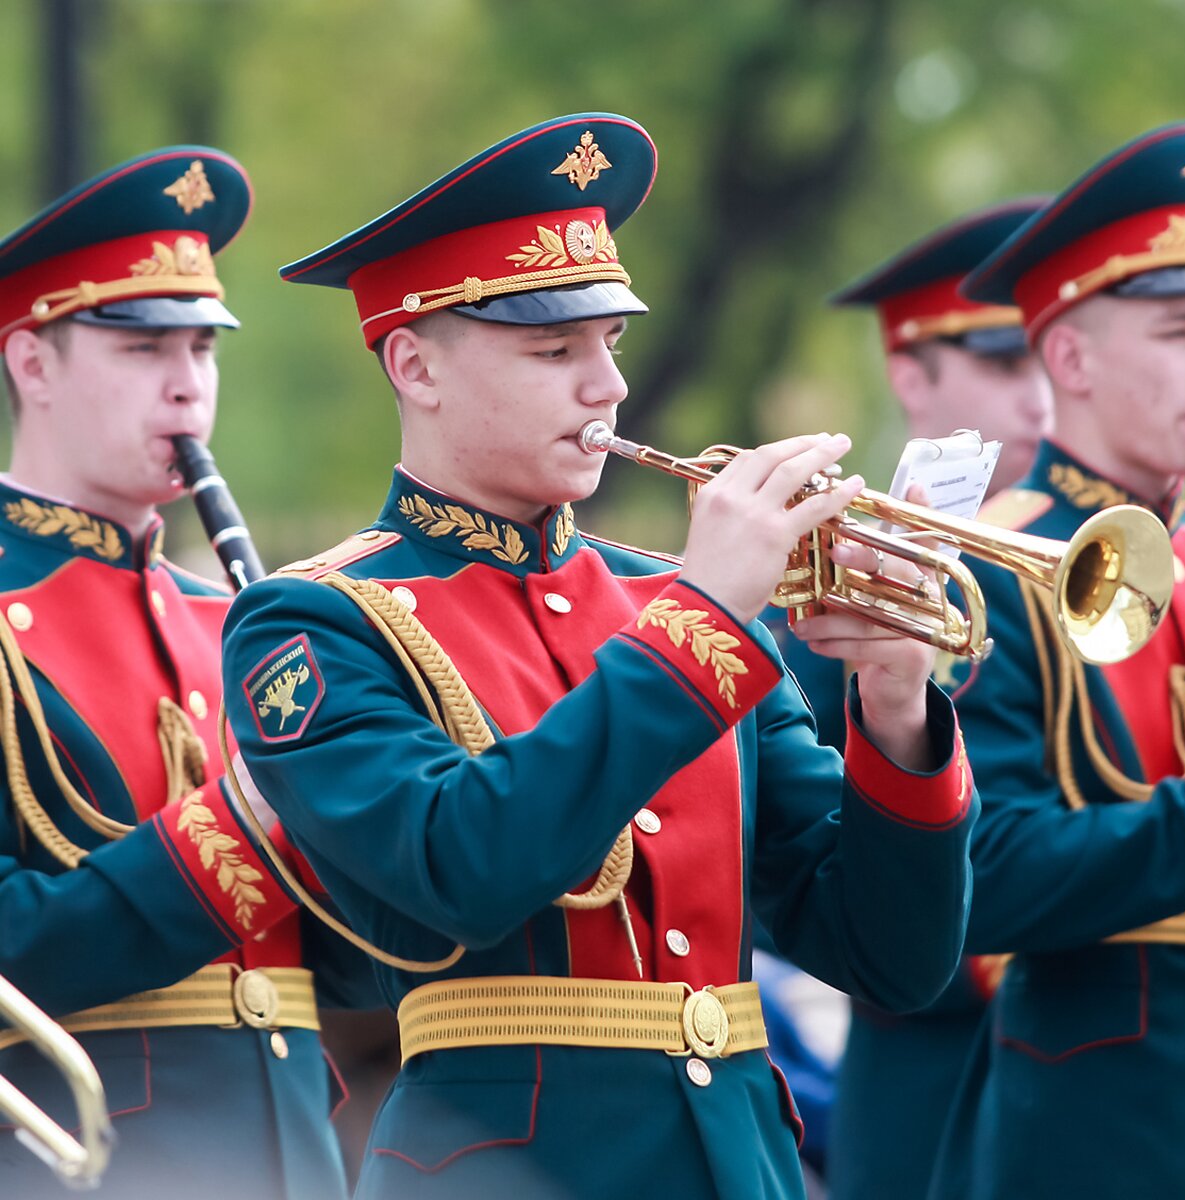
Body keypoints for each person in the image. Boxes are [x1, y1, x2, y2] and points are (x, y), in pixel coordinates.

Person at [220, 112, 978, 1200]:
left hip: (743, 1166)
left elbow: (893, 961)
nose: (607, 386)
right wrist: (704, 616)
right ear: (414, 365)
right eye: (552, 349)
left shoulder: (678, 604)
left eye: (609, 343)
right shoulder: (313, 620)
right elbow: (460, 869)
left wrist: (898, 705)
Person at [0, 148, 351, 1198]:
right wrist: (236, 832)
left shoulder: (243, 619)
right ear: (33, 362)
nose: (189, 382)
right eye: (144, 345)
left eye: (202, 345)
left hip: (294, 1155)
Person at [923, 121, 1185, 1199]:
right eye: (1181, 331)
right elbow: (976, 879)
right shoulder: (989, 565)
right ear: (1071, 358)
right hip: (1098, 1123)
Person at [764, 201, 1052, 1200]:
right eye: (1008, 362)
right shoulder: (811, 583)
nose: (1043, 397)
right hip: (928, 1082)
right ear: (910, 374)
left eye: (1054, 359)